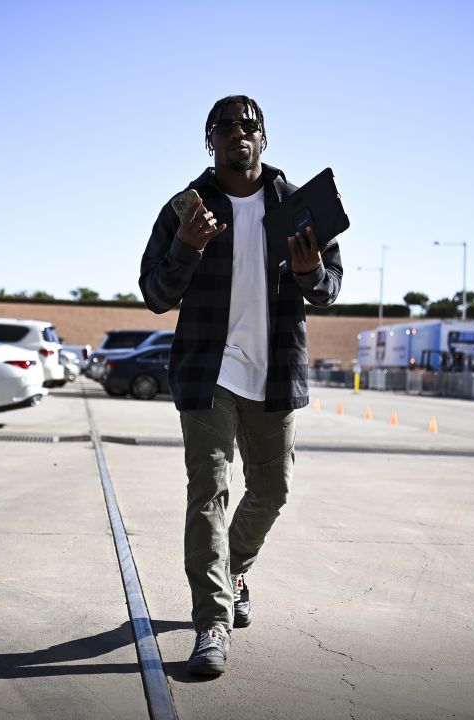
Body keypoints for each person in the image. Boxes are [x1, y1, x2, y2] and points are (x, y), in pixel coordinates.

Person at [138, 96, 343, 676]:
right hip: (208, 372)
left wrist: (310, 274)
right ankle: (212, 625)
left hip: (274, 369)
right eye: (226, 127)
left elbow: (329, 287)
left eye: (249, 126)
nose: (239, 134)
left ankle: (233, 568)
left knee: (273, 489)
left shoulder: (298, 204)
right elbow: (155, 294)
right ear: (211, 140)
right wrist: (188, 247)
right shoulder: (187, 208)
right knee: (208, 493)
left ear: (264, 138)